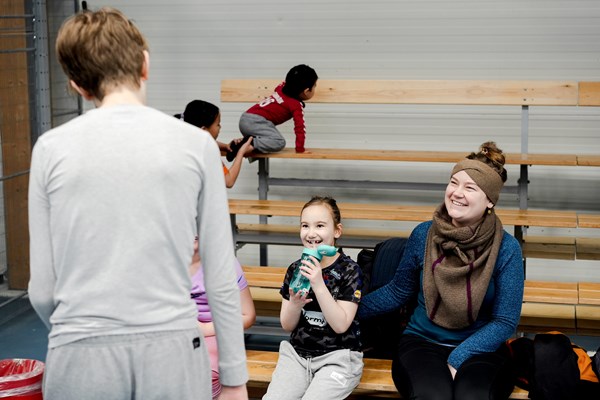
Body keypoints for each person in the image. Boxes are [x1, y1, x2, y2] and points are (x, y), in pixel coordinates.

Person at [27, 7, 247, 400]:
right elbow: (220, 277)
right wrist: (233, 378)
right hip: (172, 349)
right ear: (145, 65)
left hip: (79, 352)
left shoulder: (50, 149)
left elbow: (43, 289)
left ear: (77, 85)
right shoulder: (196, 146)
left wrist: (78, 331)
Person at [358, 142, 524, 400]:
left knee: (473, 396)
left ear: (490, 201)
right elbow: (398, 291)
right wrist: (345, 310)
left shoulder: (507, 248)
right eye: (453, 183)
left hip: (482, 348)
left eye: (470, 188)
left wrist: (458, 359)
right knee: (432, 395)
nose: (456, 193)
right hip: (421, 342)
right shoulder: (424, 234)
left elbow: (505, 322)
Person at [263, 196, 364, 400]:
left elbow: (340, 325)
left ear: (337, 231)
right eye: (305, 226)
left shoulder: (350, 270)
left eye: (319, 225)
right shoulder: (295, 269)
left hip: (338, 357)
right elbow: (287, 325)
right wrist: (294, 304)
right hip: (298, 357)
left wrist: (318, 284)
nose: (311, 233)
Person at [189, 236, 256, 399]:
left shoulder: (224, 261)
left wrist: (205, 329)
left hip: (215, 331)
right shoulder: (163, 260)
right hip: (176, 332)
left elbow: (247, 316)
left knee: (203, 368)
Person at [227, 64, 318, 161]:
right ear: (307, 91)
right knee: (279, 142)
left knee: (267, 139)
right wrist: (300, 149)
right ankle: (245, 145)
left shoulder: (281, 88)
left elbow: (280, 85)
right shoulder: (295, 106)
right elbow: (300, 128)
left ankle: (240, 143)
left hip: (245, 118)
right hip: (257, 122)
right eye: (315, 86)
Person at [176, 100, 254, 188]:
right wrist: (241, 152)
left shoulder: (183, 138)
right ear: (203, 129)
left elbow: (202, 139)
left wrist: (225, 146)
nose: (220, 127)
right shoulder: (207, 152)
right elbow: (229, 181)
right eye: (218, 124)